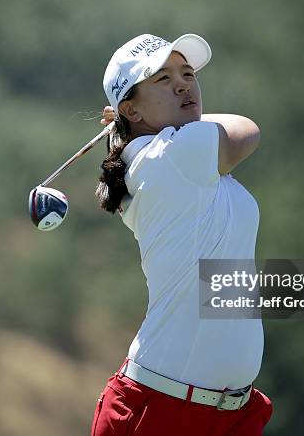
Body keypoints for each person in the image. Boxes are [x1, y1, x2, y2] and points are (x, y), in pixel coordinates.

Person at [91, 33, 273, 435]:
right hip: (162, 413)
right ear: (129, 107)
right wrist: (131, 127)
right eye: (162, 78)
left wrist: (132, 123)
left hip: (228, 412)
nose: (183, 83)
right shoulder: (171, 157)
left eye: (187, 73)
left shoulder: (171, 155)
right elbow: (247, 129)